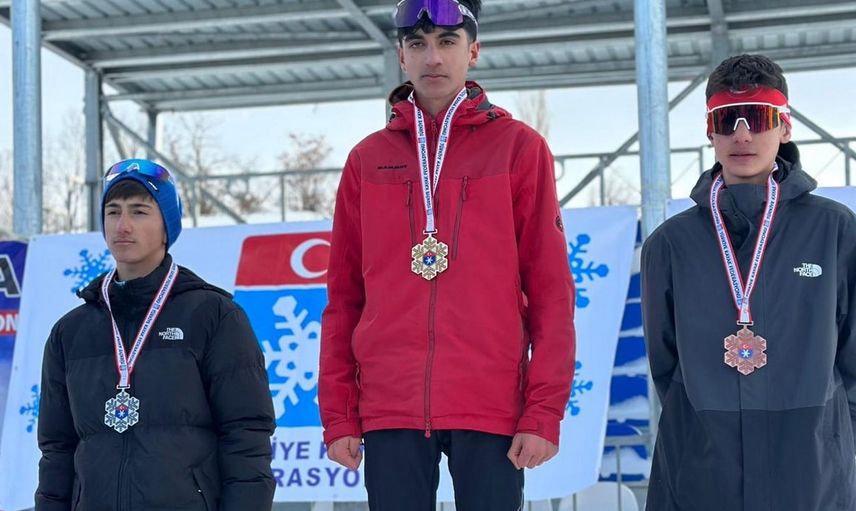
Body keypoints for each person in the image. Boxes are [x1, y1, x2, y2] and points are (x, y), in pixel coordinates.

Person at [318, 0, 576, 508]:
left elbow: (550, 290)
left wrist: (544, 411)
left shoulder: (519, 149)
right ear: (401, 55)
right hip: (390, 405)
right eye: (417, 44)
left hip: (490, 402)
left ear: (473, 51)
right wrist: (340, 414)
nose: (432, 57)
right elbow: (344, 297)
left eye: (447, 42)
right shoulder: (367, 160)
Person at [642, 54, 856, 510]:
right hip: (702, 472)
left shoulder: (835, 230)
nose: (742, 135)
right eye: (726, 120)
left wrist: (834, 439)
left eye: (757, 118)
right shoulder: (671, 244)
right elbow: (665, 362)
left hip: (810, 472)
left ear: (785, 126)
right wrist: (698, 427)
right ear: (710, 132)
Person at [35, 159, 276, 511]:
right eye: (113, 212)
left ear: (167, 226)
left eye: (139, 211)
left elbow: (246, 436)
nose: (123, 225)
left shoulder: (214, 316)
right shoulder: (70, 332)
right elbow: (56, 449)